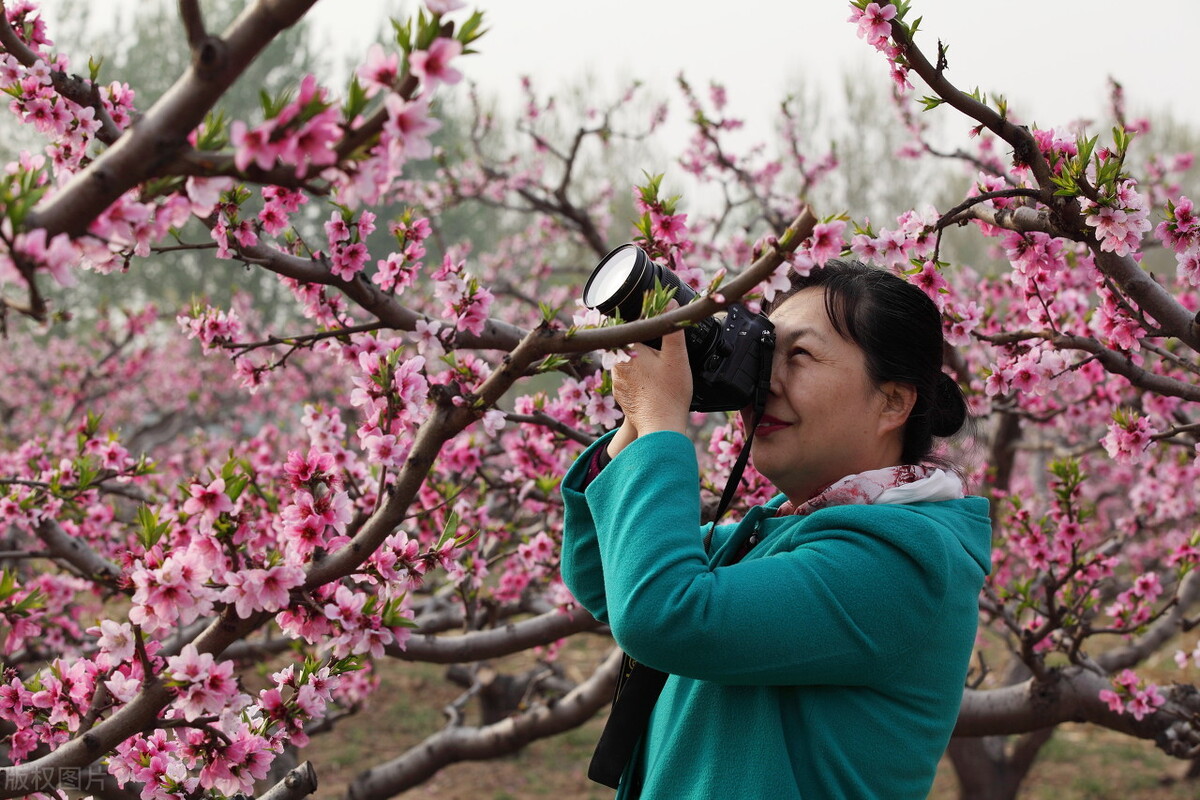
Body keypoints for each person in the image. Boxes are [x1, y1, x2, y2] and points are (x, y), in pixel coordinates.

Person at [560, 259, 992, 799]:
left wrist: (662, 424)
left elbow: (664, 615)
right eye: (764, 355)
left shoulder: (905, 563)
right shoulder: (782, 533)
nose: (765, 385)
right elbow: (602, 570)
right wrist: (637, 418)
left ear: (893, 402)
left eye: (801, 355)